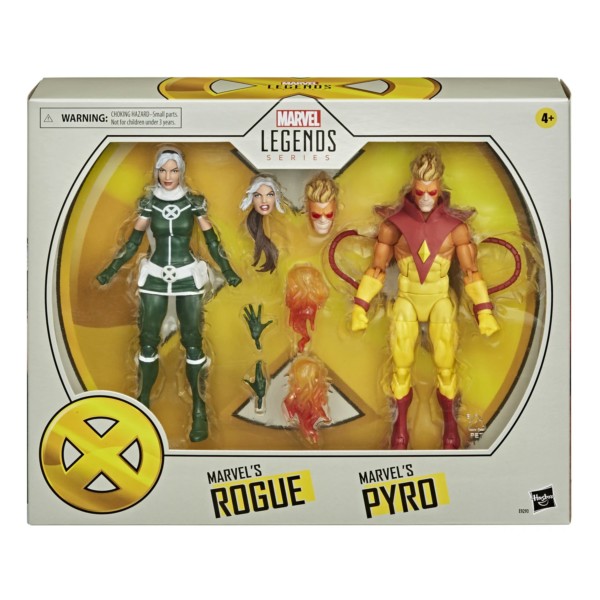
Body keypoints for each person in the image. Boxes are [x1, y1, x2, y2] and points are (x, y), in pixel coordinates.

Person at [351, 148, 499, 450]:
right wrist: (360, 306)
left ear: (440, 188)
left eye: (432, 192)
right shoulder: (393, 225)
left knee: (446, 365)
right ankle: (400, 431)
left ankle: (450, 429)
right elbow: (377, 268)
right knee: (401, 365)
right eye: (421, 192)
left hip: (439, 300)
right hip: (406, 299)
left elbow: (471, 272)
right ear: (413, 187)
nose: (427, 198)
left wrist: (484, 312)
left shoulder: (456, 229)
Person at [97, 147, 241, 442]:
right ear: (156, 171)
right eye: (163, 170)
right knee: (147, 342)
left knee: (193, 343)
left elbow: (212, 240)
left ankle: (199, 410)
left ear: (181, 172)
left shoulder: (194, 203)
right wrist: (111, 270)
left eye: (174, 170)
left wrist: (227, 270)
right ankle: (143, 404)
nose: (168, 176)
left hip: (187, 275)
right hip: (155, 276)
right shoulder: (149, 203)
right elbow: (133, 241)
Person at [240, 174, 284, 273]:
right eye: (258, 195)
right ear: (251, 198)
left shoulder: (284, 223)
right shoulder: (246, 228)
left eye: (269, 195)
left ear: (276, 197)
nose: (264, 200)